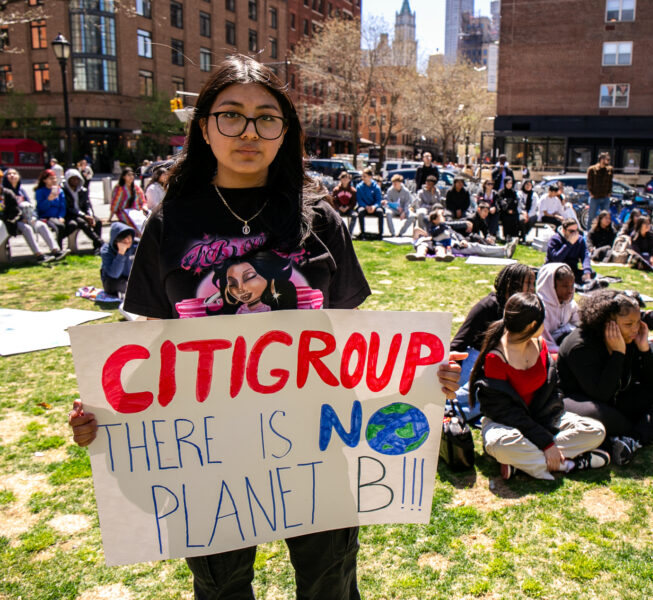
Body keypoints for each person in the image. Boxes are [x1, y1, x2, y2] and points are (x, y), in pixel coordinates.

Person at [68, 55, 467, 599]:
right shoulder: (170, 224)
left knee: (330, 583)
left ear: (286, 133)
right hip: (203, 453)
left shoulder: (319, 219)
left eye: (267, 118)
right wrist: (106, 418)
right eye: (231, 115)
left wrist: (421, 379)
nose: (249, 131)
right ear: (205, 127)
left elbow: (354, 343)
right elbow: (152, 349)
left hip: (317, 441)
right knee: (222, 588)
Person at [469, 292, 609, 480]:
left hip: (544, 417)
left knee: (595, 430)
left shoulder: (540, 344)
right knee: (500, 445)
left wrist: (545, 435)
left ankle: (525, 465)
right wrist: (545, 443)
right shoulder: (496, 358)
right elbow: (504, 411)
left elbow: (554, 388)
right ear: (532, 325)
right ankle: (568, 463)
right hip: (507, 423)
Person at [558, 290, 653, 465]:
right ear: (607, 323)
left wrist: (644, 349)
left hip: (618, 398)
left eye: (638, 322)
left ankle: (632, 439)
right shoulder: (580, 345)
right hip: (583, 401)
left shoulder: (632, 338)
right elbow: (601, 394)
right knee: (607, 417)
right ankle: (649, 428)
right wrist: (618, 353)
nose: (635, 329)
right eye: (628, 324)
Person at [450, 264, 537, 420]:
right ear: (513, 284)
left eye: (533, 284)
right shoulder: (487, 306)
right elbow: (459, 342)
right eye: (528, 284)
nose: (532, 289)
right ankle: (454, 409)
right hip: (476, 359)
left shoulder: (525, 308)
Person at [1, 169, 65, 262]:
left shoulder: (21, 190)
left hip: (28, 217)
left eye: (14, 173)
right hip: (14, 221)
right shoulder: (4, 192)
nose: (12, 175)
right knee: (27, 228)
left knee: (41, 225)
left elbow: (30, 205)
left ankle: (56, 251)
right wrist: (20, 218)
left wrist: (34, 217)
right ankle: (39, 255)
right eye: (9, 174)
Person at [535, 263, 579, 354]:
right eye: (565, 286)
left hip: (567, 341)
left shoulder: (570, 304)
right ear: (552, 286)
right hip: (554, 351)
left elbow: (579, 324)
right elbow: (545, 342)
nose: (570, 290)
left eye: (572, 286)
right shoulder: (542, 310)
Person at [62, 168, 103, 251]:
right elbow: (69, 208)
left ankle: (97, 247)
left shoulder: (83, 190)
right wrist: (84, 216)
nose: (75, 181)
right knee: (83, 223)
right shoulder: (64, 191)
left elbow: (87, 204)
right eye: (72, 179)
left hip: (84, 214)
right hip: (71, 215)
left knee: (98, 222)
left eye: (77, 178)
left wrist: (90, 215)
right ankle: (100, 243)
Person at [34, 168, 76, 250]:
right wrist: (49, 200)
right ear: (45, 180)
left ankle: (56, 242)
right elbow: (41, 208)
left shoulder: (59, 190)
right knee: (60, 227)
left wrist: (61, 216)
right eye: (51, 178)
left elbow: (62, 205)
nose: (54, 180)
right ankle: (58, 248)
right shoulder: (40, 191)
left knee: (73, 225)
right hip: (47, 216)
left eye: (54, 178)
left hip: (58, 216)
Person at [545, 218, 593, 283]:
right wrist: (569, 244)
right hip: (556, 270)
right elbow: (556, 259)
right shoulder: (554, 240)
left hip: (571, 270)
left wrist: (587, 272)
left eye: (576, 231)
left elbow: (585, 256)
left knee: (591, 273)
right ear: (564, 231)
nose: (575, 234)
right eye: (571, 231)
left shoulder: (580, 240)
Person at [99, 222, 137, 297]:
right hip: (112, 281)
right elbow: (114, 274)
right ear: (116, 241)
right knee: (132, 288)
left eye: (129, 238)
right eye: (124, 239)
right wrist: (121, 253)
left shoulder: (135, 245)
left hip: (130, 278)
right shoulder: (106, 251)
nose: (128, 241)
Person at [109, 167, 147, 235]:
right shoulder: (120, 188)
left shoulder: (136, 187)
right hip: (124, 211)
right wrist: (110, 217)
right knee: (133, 225)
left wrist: (144, 207)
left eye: (132, 175)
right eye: (129, 175)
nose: (131, 177)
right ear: (124, 177)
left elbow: (143, 200)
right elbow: (115, 203)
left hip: (137, 211)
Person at [586, 152, 613, 230]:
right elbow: (589, 182)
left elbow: (610, 182)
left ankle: (604, 231)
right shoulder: (592, 169)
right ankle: (589, 232)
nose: (608, 161)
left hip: (605, 196)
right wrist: (591, 192)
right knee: (592, 216)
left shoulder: (609, 169)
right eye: (607, 159)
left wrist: (609, 193)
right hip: (595, 197)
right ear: (602, 160)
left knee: (605, 216)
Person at [355, 168, 384, 239]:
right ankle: (363, 233)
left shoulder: (376, 187)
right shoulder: (359, 187)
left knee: (380, 212)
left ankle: (380, 234)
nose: (363, 178)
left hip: (374, 207)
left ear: (370, 177)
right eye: (362, 176)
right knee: (360, 212)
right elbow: (359, 200)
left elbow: (378, 200)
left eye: (365, 176)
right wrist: (366, 206)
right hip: (364, 206)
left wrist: (374, 207)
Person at [329, 171, 358, 235]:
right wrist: (339, 207)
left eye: (346, 178)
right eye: (343, 177)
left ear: (349, 179)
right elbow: (333, 201)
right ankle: (338, 233)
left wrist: (348, 207)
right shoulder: (336, 190)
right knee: (335, 215)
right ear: (340, 179)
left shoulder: (353, 190)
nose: (345, 179)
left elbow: (354, 202)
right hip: (338, 208)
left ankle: (349, 233)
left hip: (349, 209)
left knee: (354, 215)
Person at [498, 176, 521, 241]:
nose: (509, 185)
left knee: (515, 218)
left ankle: (514, 236)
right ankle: (506, 235)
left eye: (510, 183)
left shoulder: (513, 192)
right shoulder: (501, 192)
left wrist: (512, 209)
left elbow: (516, 201)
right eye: (507, 183)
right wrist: (507, 210)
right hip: (504, 212)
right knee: (506, 219)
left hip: (513, 211)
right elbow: (501, 202)